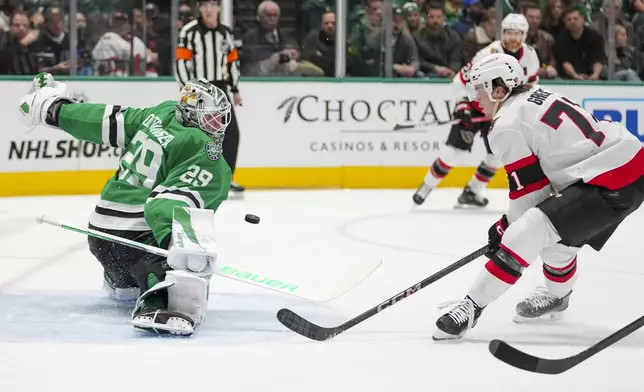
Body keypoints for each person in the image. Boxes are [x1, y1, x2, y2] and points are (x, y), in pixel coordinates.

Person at [432, 53, 644, 340]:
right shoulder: (535, 94)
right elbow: (542, 192)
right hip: (625, 164)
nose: (474, 98)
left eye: (479, 90)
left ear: (499, 88)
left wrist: (506, 228)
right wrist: (507, 225)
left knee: (530, 230)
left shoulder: (505, 124)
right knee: (556, 238)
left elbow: (531, 197)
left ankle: (471, 305)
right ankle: (558, 297)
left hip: (608, 180)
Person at [19, 73, 233, 336]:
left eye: (220, 117)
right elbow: (164, 206)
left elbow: (104, 119)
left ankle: (121, 280)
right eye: (210, 116)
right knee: (178, 268)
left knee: (129, 271)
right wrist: (179, 249)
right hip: (135, 240)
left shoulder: (160, 113)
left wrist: (53, 110)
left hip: (99, 234)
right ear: (190, 113)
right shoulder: (201, 149)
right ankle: (156, 303)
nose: (217, 125)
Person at [413, 13, 539, 208]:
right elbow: (460, 80)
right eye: (510, 33)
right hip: (475, 107)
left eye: (518, 33)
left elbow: (529, 86)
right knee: (453, 152)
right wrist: (463, 104)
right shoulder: (488, 54)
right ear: (502, 33)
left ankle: (472, 192)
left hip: (498, 113)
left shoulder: (530, 56)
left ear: (525, 34)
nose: (514, 38)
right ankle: (427, 186)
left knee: (496, 157)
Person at [175, 0, 245, 198]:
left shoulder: (226, 33)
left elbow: (232, 62)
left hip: (220, 88)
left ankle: (225, 178)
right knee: (197, 135)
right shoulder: (189, 32)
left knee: (231, 134)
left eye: (212, 4)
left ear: (219, 8)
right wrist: (186, 89)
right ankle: (188, 178)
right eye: (204, 5)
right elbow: (181, 62)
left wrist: (235, 88)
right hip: (198, 88)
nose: (208, 9)